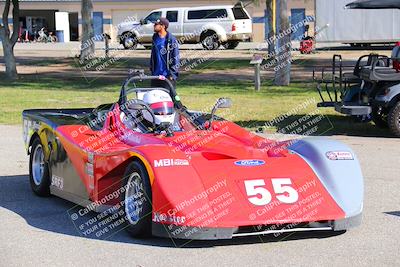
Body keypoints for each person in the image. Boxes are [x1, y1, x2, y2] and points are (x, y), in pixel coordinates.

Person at [150, 18, 180, 89]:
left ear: (163, 26)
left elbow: (175, 57)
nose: (154, 26)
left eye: (156, 24)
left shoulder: (171, 40)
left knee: (168, 98)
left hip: (167, 76)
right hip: (155, 75)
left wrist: (172, 74)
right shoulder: (155, 38)